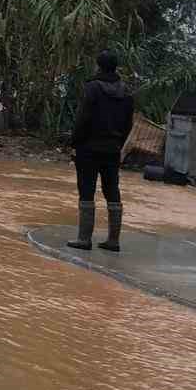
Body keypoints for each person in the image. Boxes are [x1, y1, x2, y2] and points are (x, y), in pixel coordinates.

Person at [67, 51, 135, 252]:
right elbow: (128, 124)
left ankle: (84, 239)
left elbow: (83, 119)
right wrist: (119, 143)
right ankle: (113, 240)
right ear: (115, 67)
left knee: (86, 190)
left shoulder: (92, 88)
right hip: (113, 148)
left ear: (98, 66)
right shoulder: (126, 91)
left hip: (89, 147)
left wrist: (74, 142)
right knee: (112, 190)